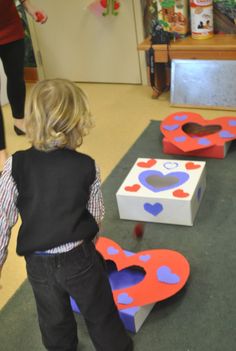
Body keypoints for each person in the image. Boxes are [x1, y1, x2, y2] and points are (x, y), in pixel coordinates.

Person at [0, 79, 133, 351]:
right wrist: (91, 243)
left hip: (38, 264)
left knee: (53, 321)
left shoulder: (15, 165)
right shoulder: (87, 166)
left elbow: (3, 218)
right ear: (77, 123)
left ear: (31, 121)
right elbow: (95, 214)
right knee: (100, 313)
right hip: (79, 259)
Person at [0, 0, 47, 172]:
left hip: (10, 27)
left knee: (16, 77)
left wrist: (29, 7)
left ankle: (19, 121)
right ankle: (1, 152)